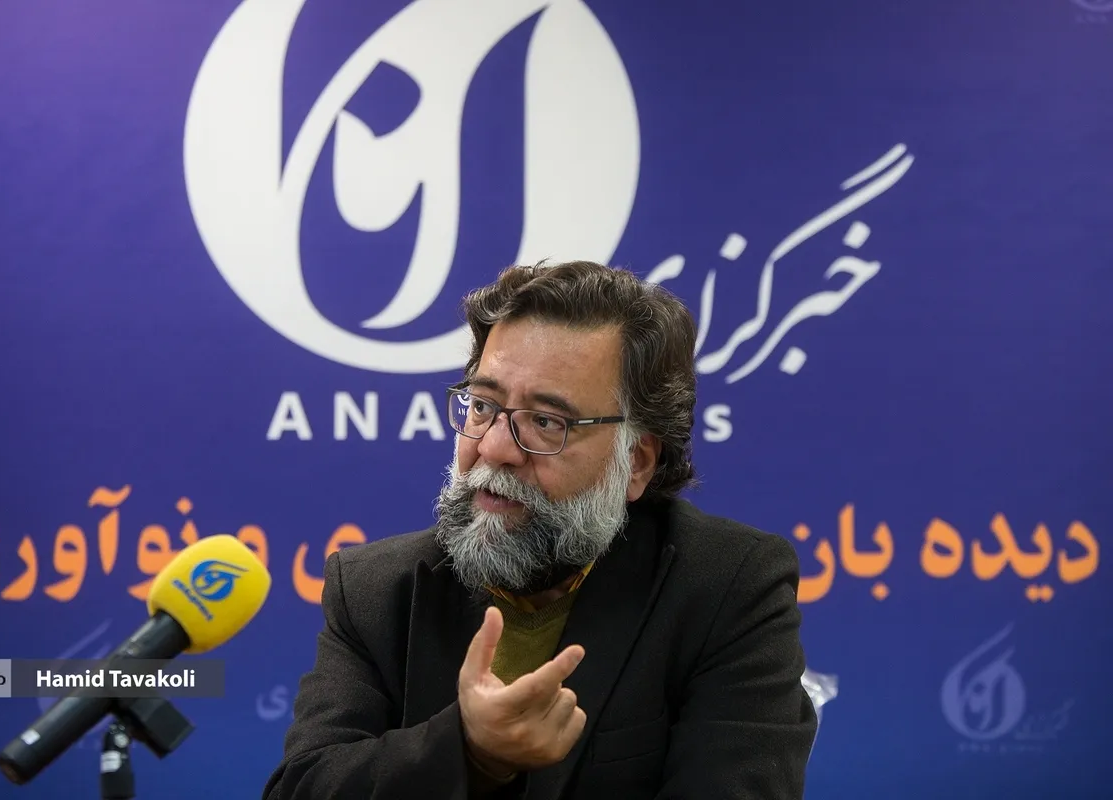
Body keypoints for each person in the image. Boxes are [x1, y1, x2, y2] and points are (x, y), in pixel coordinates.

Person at [262, 260, 818, 799]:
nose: (494, 448)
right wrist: (469, 750)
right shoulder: (373, 591)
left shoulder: (727, 589)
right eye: (483, 406)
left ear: (637, 462)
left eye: (547, 421)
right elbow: (304, 786)